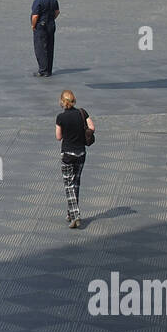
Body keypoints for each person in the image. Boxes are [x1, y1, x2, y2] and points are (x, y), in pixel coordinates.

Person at [55, 90, 95, 229]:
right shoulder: (81, 113)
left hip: (67, 153)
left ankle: (75, 214)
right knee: (76, 182)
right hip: (81, 153)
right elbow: (92, 127)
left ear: (62, 102)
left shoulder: (61, 117)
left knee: (68, 184)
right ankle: (70, 213)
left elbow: (58, 137)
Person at [31, 0, 61, 77]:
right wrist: (52, 19)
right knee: (49, 47)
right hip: (51, 25)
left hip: (41, 26)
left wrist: (33, 25)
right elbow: (57, 12)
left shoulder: (38, 0)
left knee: (40, 47)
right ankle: (48, 70)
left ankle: (43, 70)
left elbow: (35, 15)